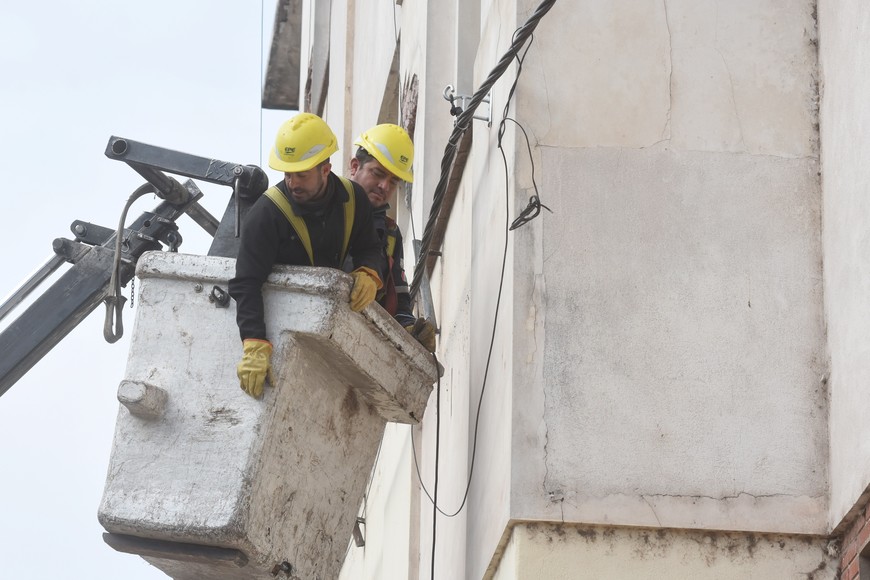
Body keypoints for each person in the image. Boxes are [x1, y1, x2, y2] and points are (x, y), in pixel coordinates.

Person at [229, 113, 385, 399]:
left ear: (325, 169)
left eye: (301, 174)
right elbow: (246, 282)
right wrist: (254, 343)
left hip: (328, 329)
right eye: (287, 174)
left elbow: (370, 247)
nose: (292, 182)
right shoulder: (266, 214)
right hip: (278, 325)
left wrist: (369, 272)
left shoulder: (354, 199)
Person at [348, 123, 436, 352]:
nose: (384, 186)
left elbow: (399, 304)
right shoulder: (327, 209)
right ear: (355, 167)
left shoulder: (390, 233)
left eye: (394, 181)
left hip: (362, 344)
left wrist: (410, 330)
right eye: (377, 174)